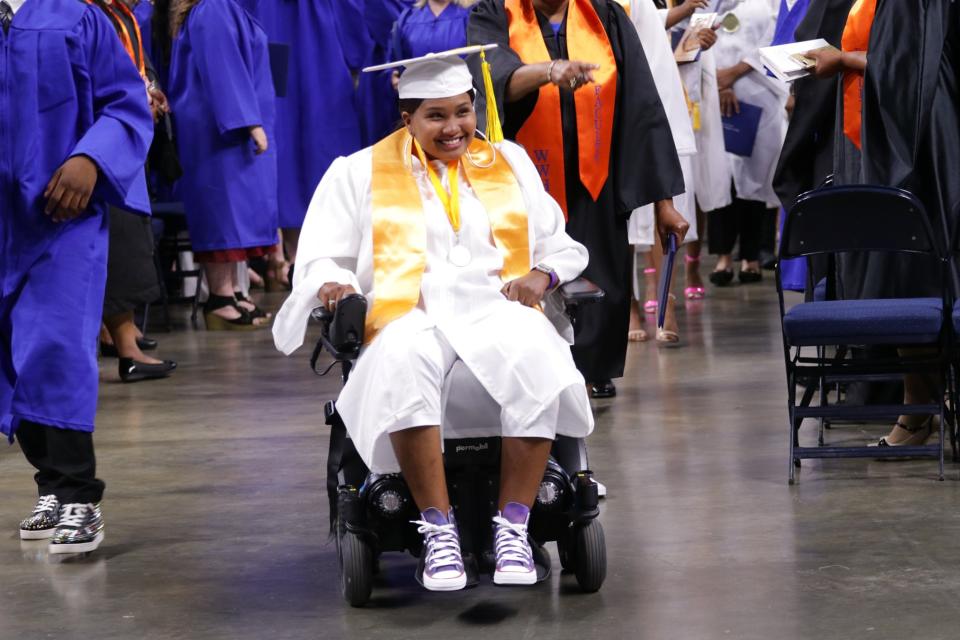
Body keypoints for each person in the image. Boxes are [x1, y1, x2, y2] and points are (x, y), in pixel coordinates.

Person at [274, 48, 595, 590]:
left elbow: (558, 244)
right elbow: (322, 257)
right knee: (402, 355)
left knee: (537, 350)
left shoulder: (508, 163)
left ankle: (513, 527)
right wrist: (336, 285)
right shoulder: (357, 174)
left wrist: (543, 275)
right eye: (436, 115)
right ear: (407, 118)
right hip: (408, 314)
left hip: (496, 309)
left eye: (463, 112)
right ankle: (438, 529)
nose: (454, 128)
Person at [468, 0, 689, 398]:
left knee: (600, 278)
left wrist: (665, 203)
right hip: (522, 185)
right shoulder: (494, 14)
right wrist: (550, 72)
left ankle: (591, 370)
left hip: (596, 179)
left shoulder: (605, 16)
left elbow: (643, 107)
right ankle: (535, 372)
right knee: (527, 274)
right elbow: (491, 81)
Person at [1, 0, 153, 552]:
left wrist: (92, 158)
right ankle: (51, 482)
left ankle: (79, 495)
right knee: (12, 355)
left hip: (59, 214)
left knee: (55, 343)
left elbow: (124, 103)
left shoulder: (74, 15)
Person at [805, 0, 960, 448]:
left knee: (919, 271)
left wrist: (844, 59)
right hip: (893, 137)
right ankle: (918, 410)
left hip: (923, 145)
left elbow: (913, 71)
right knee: (903, 271)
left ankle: (920, 412)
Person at [167, 0, 279, 330]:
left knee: (236, 214)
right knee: (223, 214)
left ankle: (232, 292)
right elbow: (222, 68)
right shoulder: (213, 8)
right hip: (219, 132)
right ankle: (219, 297)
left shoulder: (224, 7)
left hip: (229, 129)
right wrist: (247, 121)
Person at [88, 0, 177, 383]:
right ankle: (127, 348)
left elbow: (135, 67)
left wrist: (150, 89)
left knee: (128, 236)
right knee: (119, 243)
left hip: (124, 140)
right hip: (101, 142)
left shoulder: (118, 13)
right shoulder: (86, 15)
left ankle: (118, 336)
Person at [253, 0, 368, 285]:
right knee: (314, 151)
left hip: (273, 48)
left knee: (284, 147)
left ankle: (282, 253)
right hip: (319, 57)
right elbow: (358, 35)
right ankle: (304, 257)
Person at [707, 0, 785, 286]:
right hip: (714, 91)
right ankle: (723, 256)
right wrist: (722, 82)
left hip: (757, 93)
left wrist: (736, 72)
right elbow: (698, 31)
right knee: (720, 178)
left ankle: (751, 256)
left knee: (755, 180)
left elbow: (777, 36)